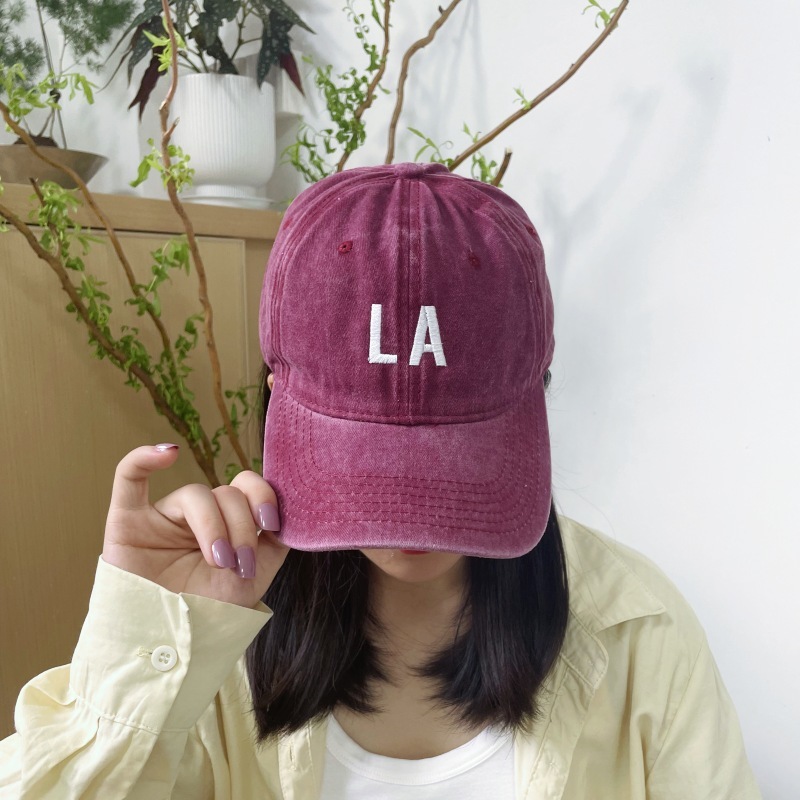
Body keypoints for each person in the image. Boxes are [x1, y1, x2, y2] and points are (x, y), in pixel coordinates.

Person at [0, 163, 761, 799]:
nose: (409, 516)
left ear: (540, 393)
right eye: (369, 455)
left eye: (449, 454)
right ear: (275, 393)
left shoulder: (641, 636)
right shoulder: (214, 628)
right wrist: (143, 647)